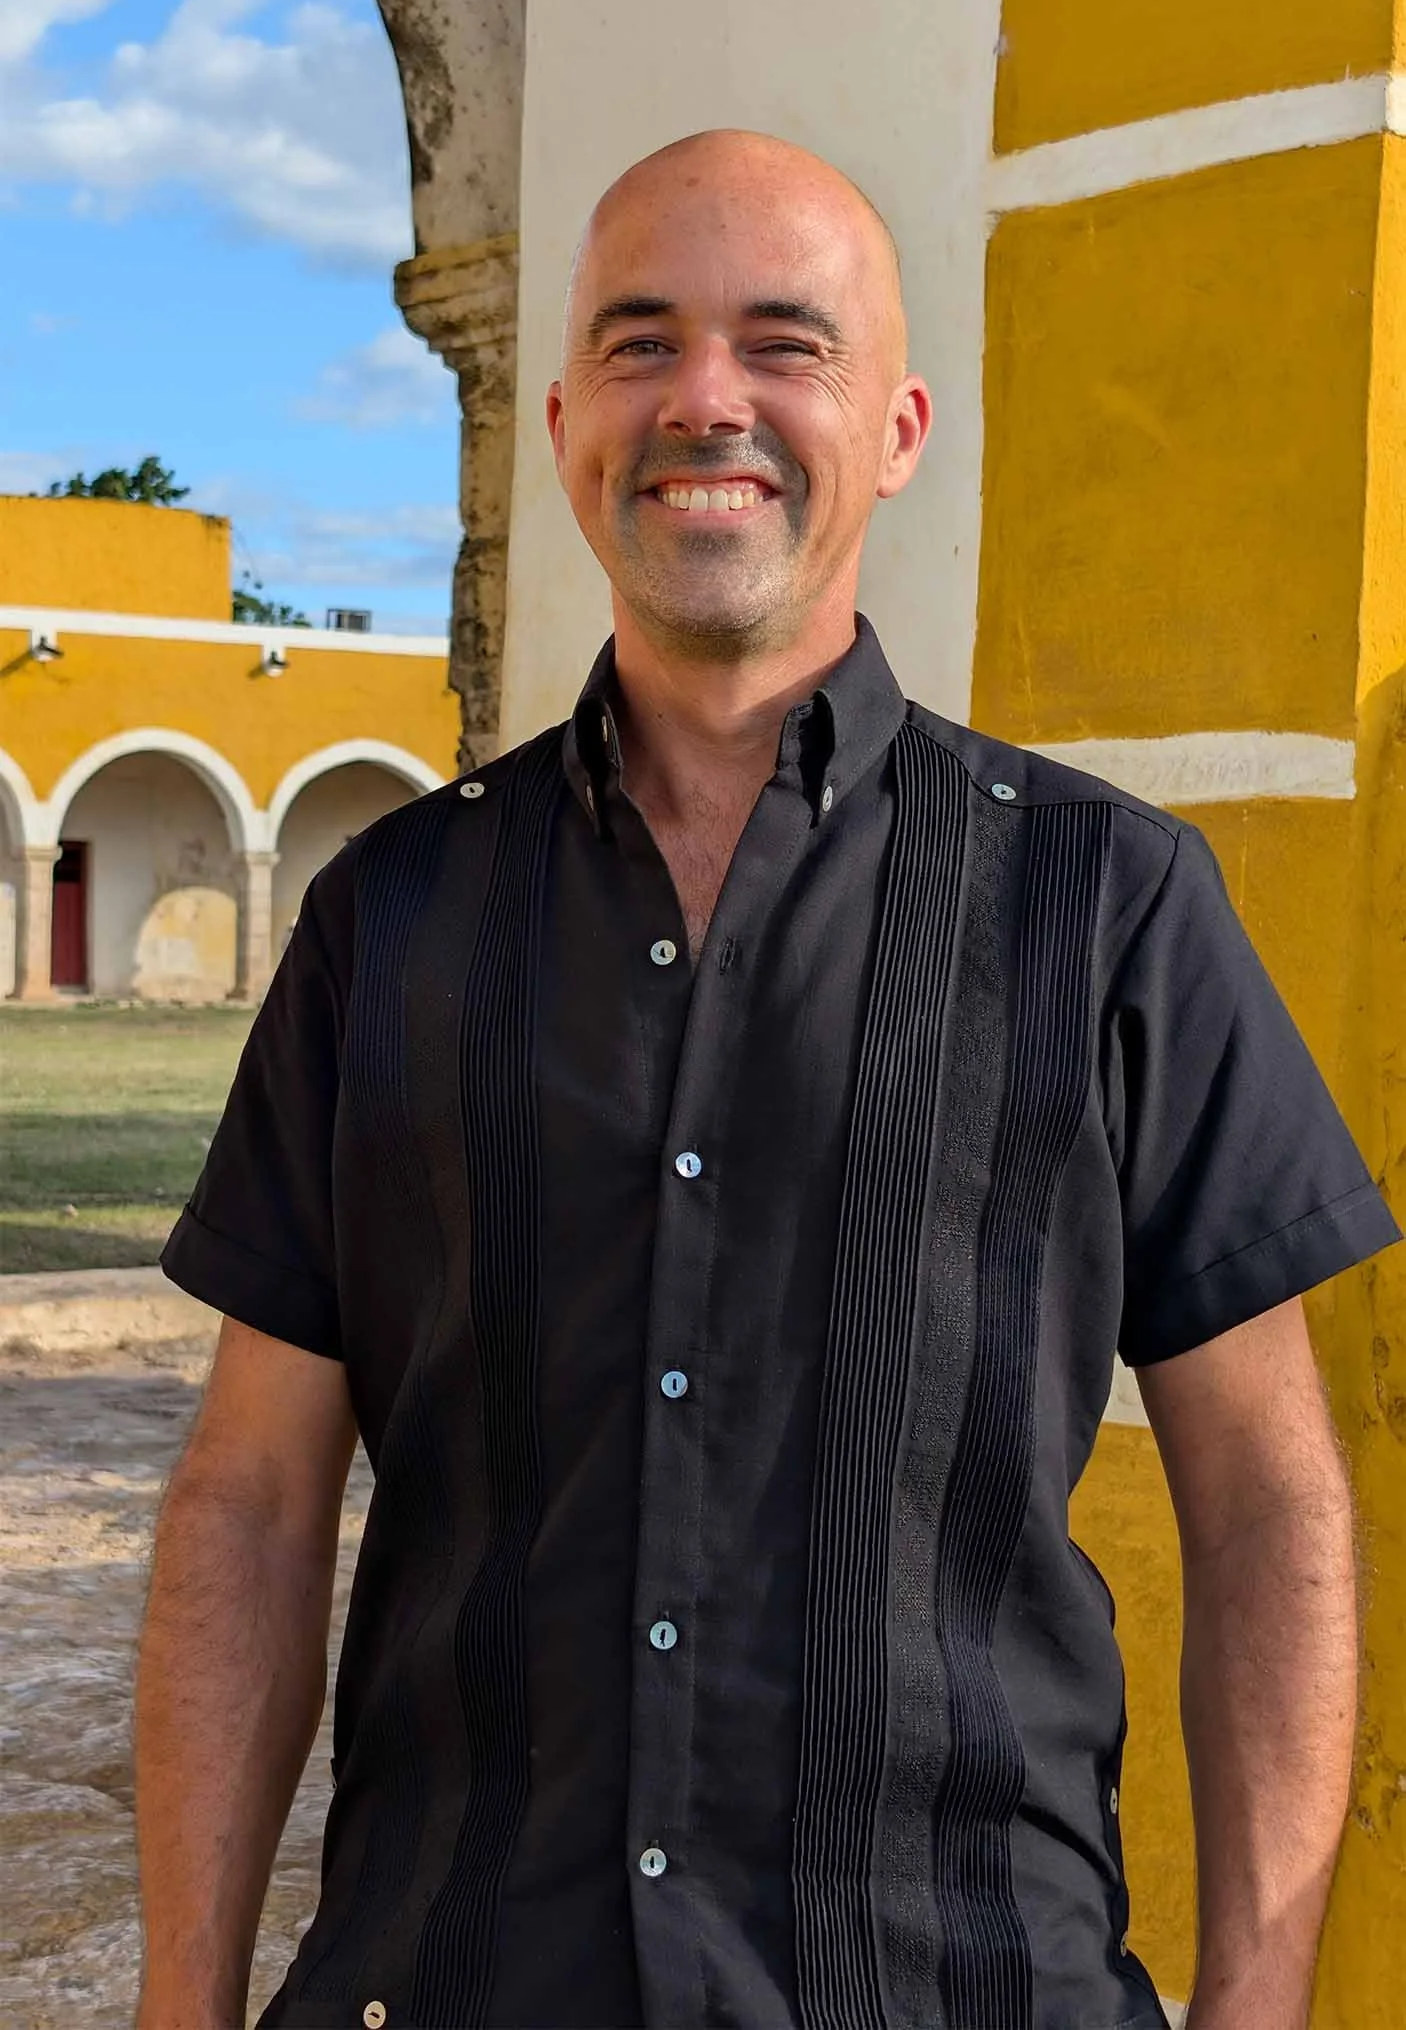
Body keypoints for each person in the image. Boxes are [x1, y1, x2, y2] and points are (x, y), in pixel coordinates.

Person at [136, 131, 1400, 2030]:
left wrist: (1258, 1998)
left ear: (893, 425)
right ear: (562, 419)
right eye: (640, 344)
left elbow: (1268, 1502)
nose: (702, 398)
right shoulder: (384, 921)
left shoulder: (1108, 904)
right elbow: (245, 1501)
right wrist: (178, 1999)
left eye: (778, 343)